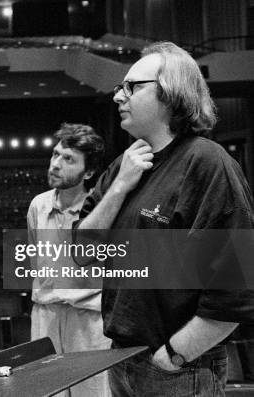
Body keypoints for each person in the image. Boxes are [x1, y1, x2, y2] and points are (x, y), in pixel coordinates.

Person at [75, 41, 254, 396]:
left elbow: (237, 286)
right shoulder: (124, 165)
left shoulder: (208, 164)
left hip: (177, 369)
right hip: (123, 359)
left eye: (131, 87)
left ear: (171, 94)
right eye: (118, 88)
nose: (117, 97)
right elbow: (82, 254)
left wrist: (175, 354)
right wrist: (119, 188)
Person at [27, 123, 110, 397]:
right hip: (45, 315)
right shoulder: (38, 205)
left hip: (88, 319)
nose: (55, 164)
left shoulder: (102, 209)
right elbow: (34, 257)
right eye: (55, 155)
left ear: (89, 172)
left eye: (68, 159)